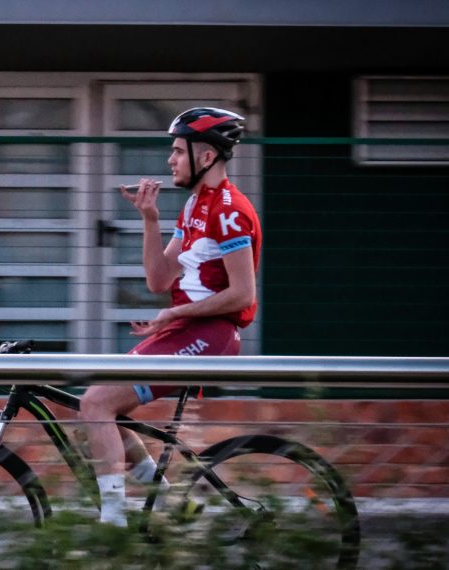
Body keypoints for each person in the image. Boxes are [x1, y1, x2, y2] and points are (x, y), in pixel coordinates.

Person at [80, 107, 262, 526]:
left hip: (212, 334)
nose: (170, 159)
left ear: (207, 156)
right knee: (99, 399)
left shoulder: (231, 211)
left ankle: (112, 523)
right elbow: (159, 280)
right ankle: (171, 501)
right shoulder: (195, 207)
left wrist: (176, 312)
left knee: (96, 403)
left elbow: (242, 295)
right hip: (185, 327)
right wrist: (150, 220)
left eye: (179, 150)